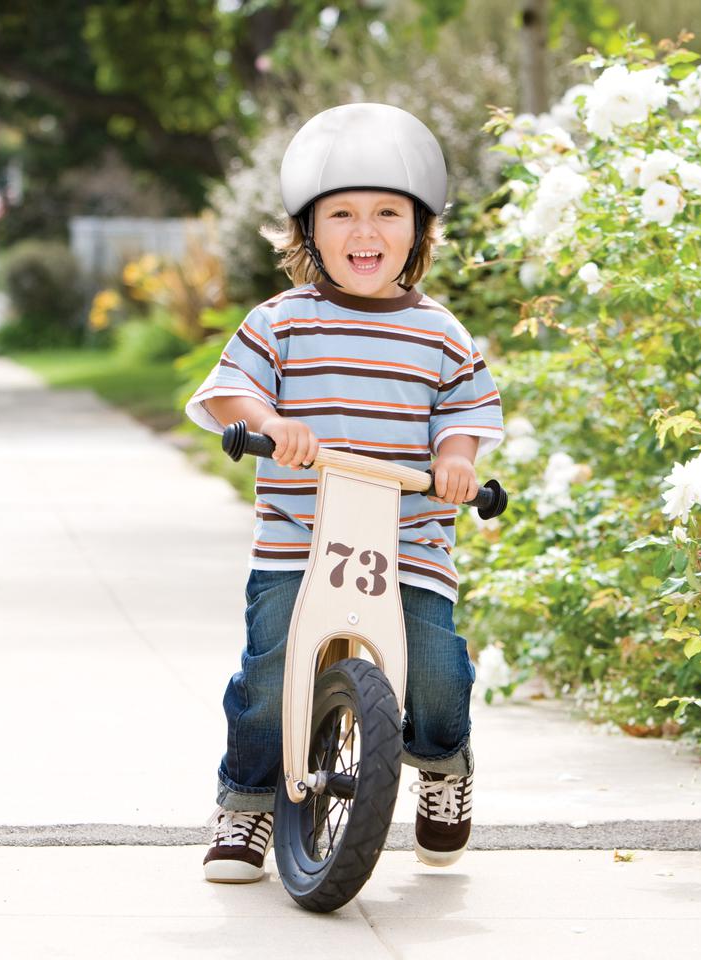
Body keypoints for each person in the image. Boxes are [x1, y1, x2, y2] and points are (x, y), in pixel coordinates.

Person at [185, 102, 503, 883]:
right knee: (269, 671)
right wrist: (270, 422)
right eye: (343, 214)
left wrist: (455, 460)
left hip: (409, 543)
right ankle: (249, 802)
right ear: (309, 231)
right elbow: (230, 396)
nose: (366, 231)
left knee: (435, 667)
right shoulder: (281, 322)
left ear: (419, 232)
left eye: (388, 213)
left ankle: (442, 766)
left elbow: (463, 417)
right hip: (300, 537)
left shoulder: (442, 335)